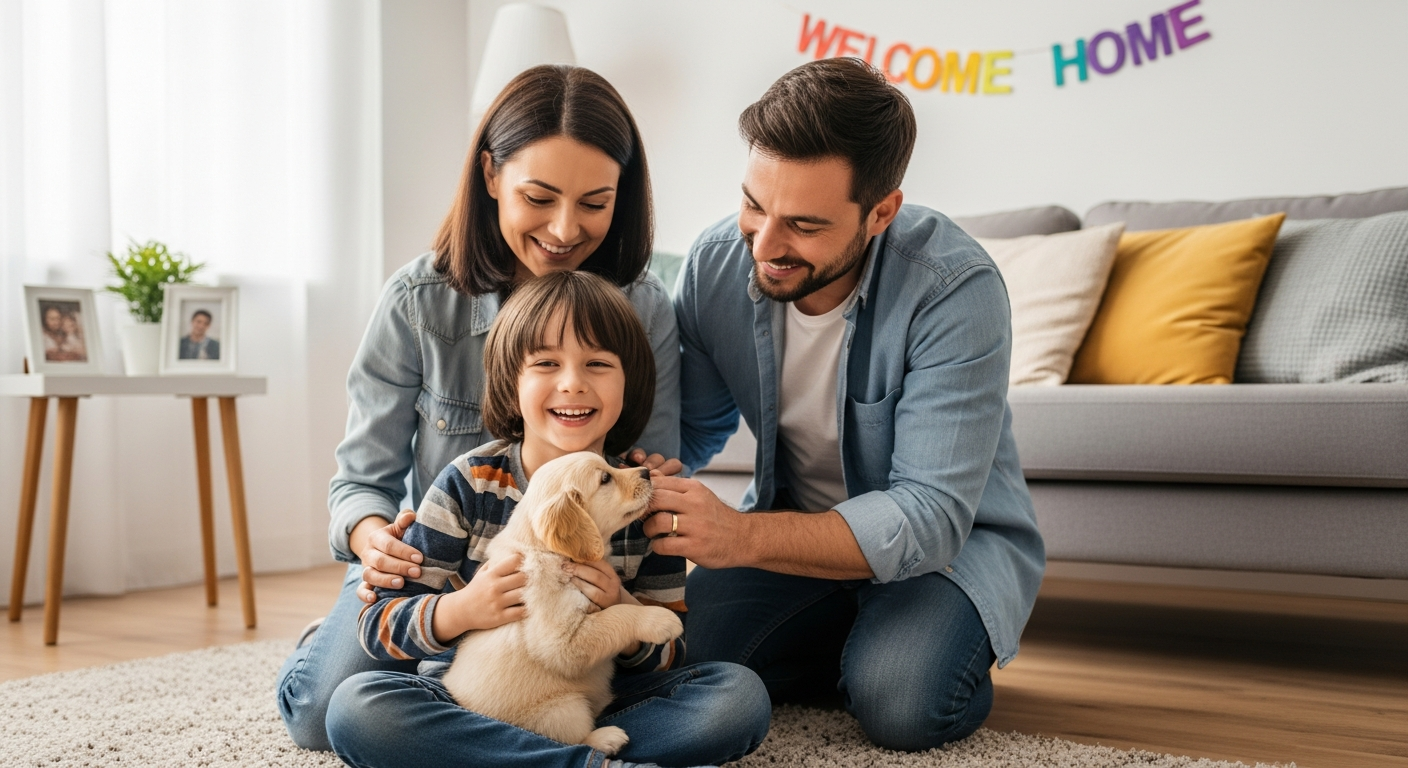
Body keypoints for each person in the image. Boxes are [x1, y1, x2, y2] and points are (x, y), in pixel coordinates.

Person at [640, 58, 1046, 751]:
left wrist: (740, 539)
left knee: (904, 705)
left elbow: (928, 515)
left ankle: (900, 652)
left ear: (881, 212)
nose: (765, 245)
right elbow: (693, 429)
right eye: (754, 205)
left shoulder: (954, 288)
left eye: (803, 224)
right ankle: (854, 645)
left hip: (944, 555)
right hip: (797, 534)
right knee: (671, 655)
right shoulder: (716, 265)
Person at [276, 65, 683, 752]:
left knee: (719, 695)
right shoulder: (418, 301)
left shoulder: (643, 306)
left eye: (594, 202)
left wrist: (628, 582)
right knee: (327, 714)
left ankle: (497, 739)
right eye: (539, 197)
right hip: (434, 574)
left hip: (575, 601)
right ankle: (561, 751)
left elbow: (651, 465)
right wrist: (377, 545)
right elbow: (361, 483)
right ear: (491, 174)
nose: (565, 229)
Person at [324, 271, 769, 768]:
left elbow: (668, 652)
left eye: (597, 363)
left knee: (737, 699)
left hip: (594, 701)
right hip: (475, 702)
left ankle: (511, 758)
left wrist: (620, 605)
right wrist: (462, 610)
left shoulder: (644, 500)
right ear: (510, 382)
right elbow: (379, 626)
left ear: (630, 383)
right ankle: (584, 762)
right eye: (546, 363)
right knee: (358, 708)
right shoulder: (467, 484)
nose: (573, 382)